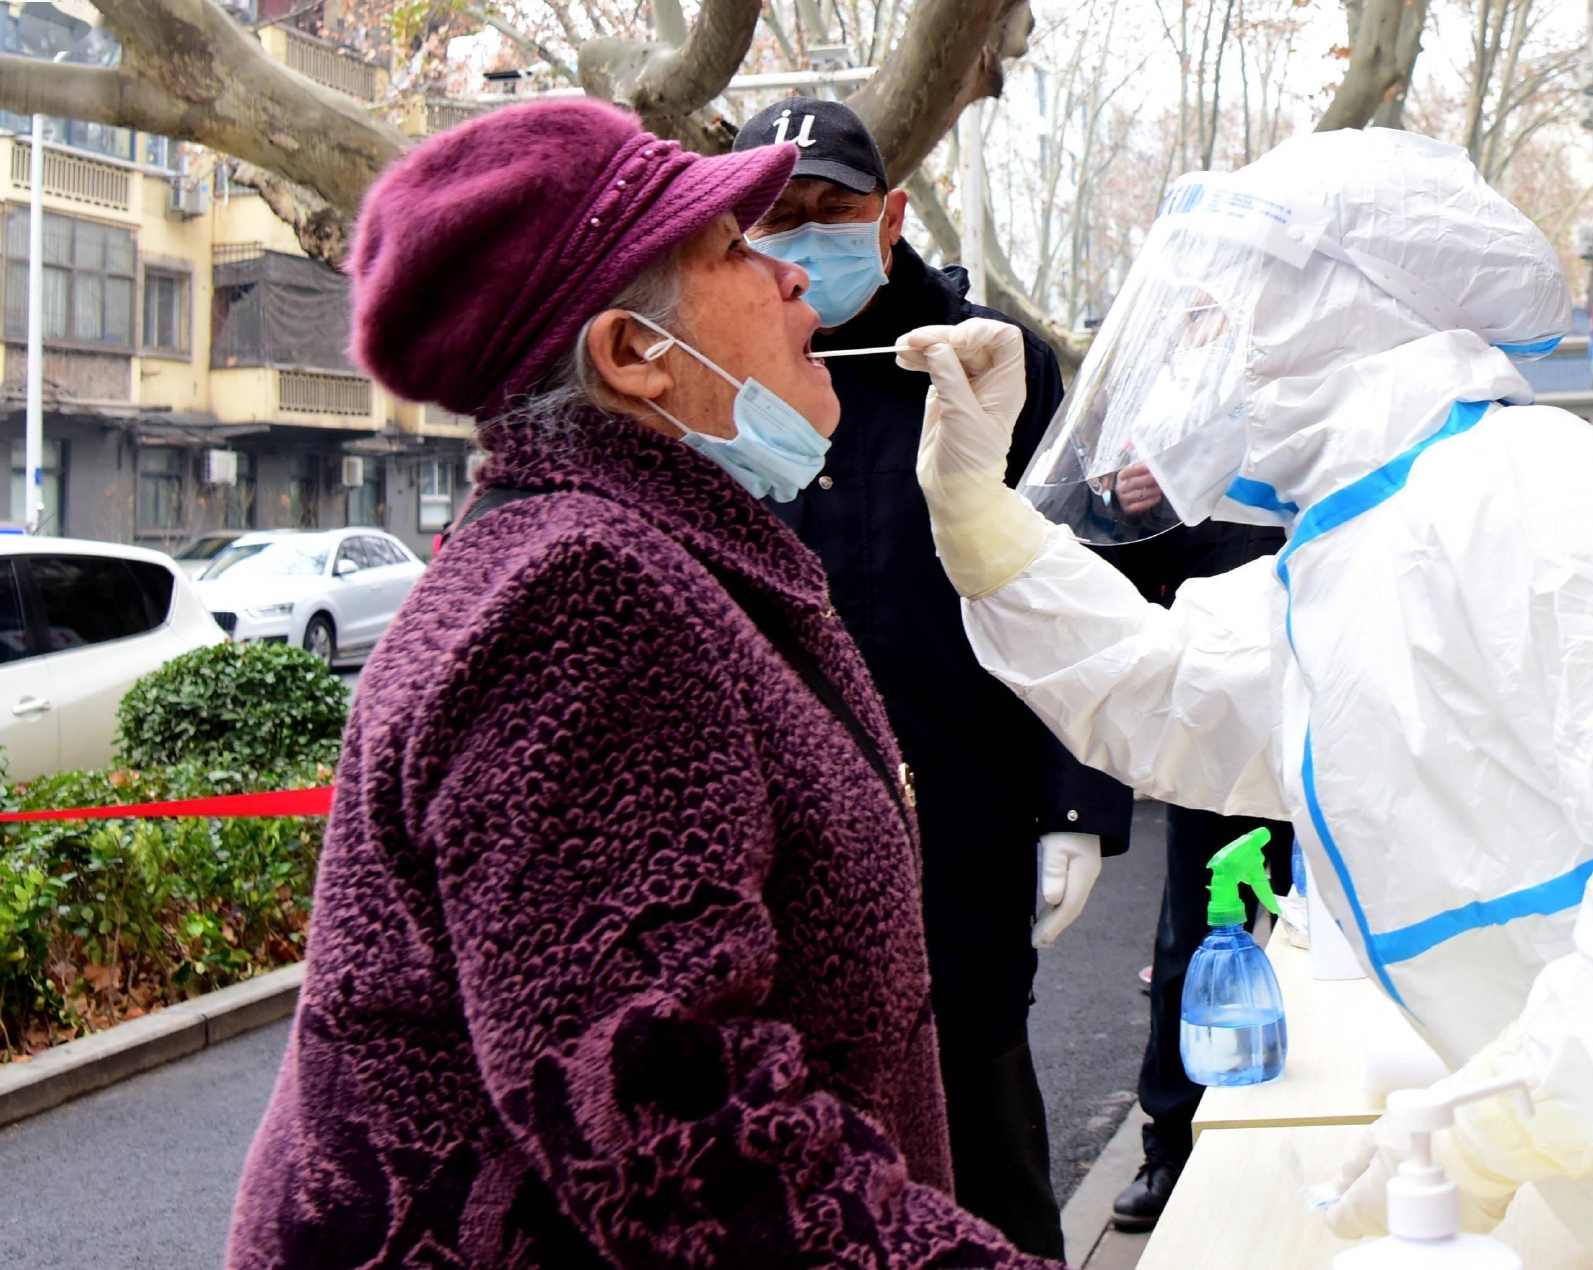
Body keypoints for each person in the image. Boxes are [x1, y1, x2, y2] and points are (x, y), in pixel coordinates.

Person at [895, 127, 1593, 1268]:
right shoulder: (1360, 552)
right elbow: (1169, 692)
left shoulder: (1563, 519)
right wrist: (975, 517)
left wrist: (1495, 1120)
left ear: (1331, 308)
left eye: (1210, 312)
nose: (1188, 355)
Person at [226, 100, 1057, 1270]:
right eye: (735, 247)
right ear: (632, 354)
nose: (792, 278)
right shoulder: (581, 596)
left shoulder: (636, 550)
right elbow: (674, 1127)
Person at [729, 97, 1132, 1259]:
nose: (801, 239)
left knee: (978, 1105)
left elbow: (1077, 582)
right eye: (774, 219)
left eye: (832, 213)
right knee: (807, 1127)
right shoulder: (731, 373)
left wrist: (1078, 803)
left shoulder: (990, 360)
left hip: (965, 799)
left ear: (891, 213)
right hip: (789, 823)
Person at [1098, 517, 1295, 1231]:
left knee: (1356, 946)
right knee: (1195, 945)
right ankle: (1172, 1150)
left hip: (1346, 722)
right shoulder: (1194, 434)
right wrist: (1129, 505)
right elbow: (1113, 568)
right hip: (1222, 738)